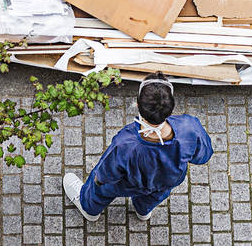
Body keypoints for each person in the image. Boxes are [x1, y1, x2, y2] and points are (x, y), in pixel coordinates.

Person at [63, 73, 213, 222]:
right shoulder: (190, 127)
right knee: (154, 196)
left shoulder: (125, 142)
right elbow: (203, 155)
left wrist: (98, 181)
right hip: (166, 181)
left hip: (129, 183)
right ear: (171, 107)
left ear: (137, 104)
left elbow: (106, 174)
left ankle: (89, 208)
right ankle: (143, 211)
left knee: (100, 189)